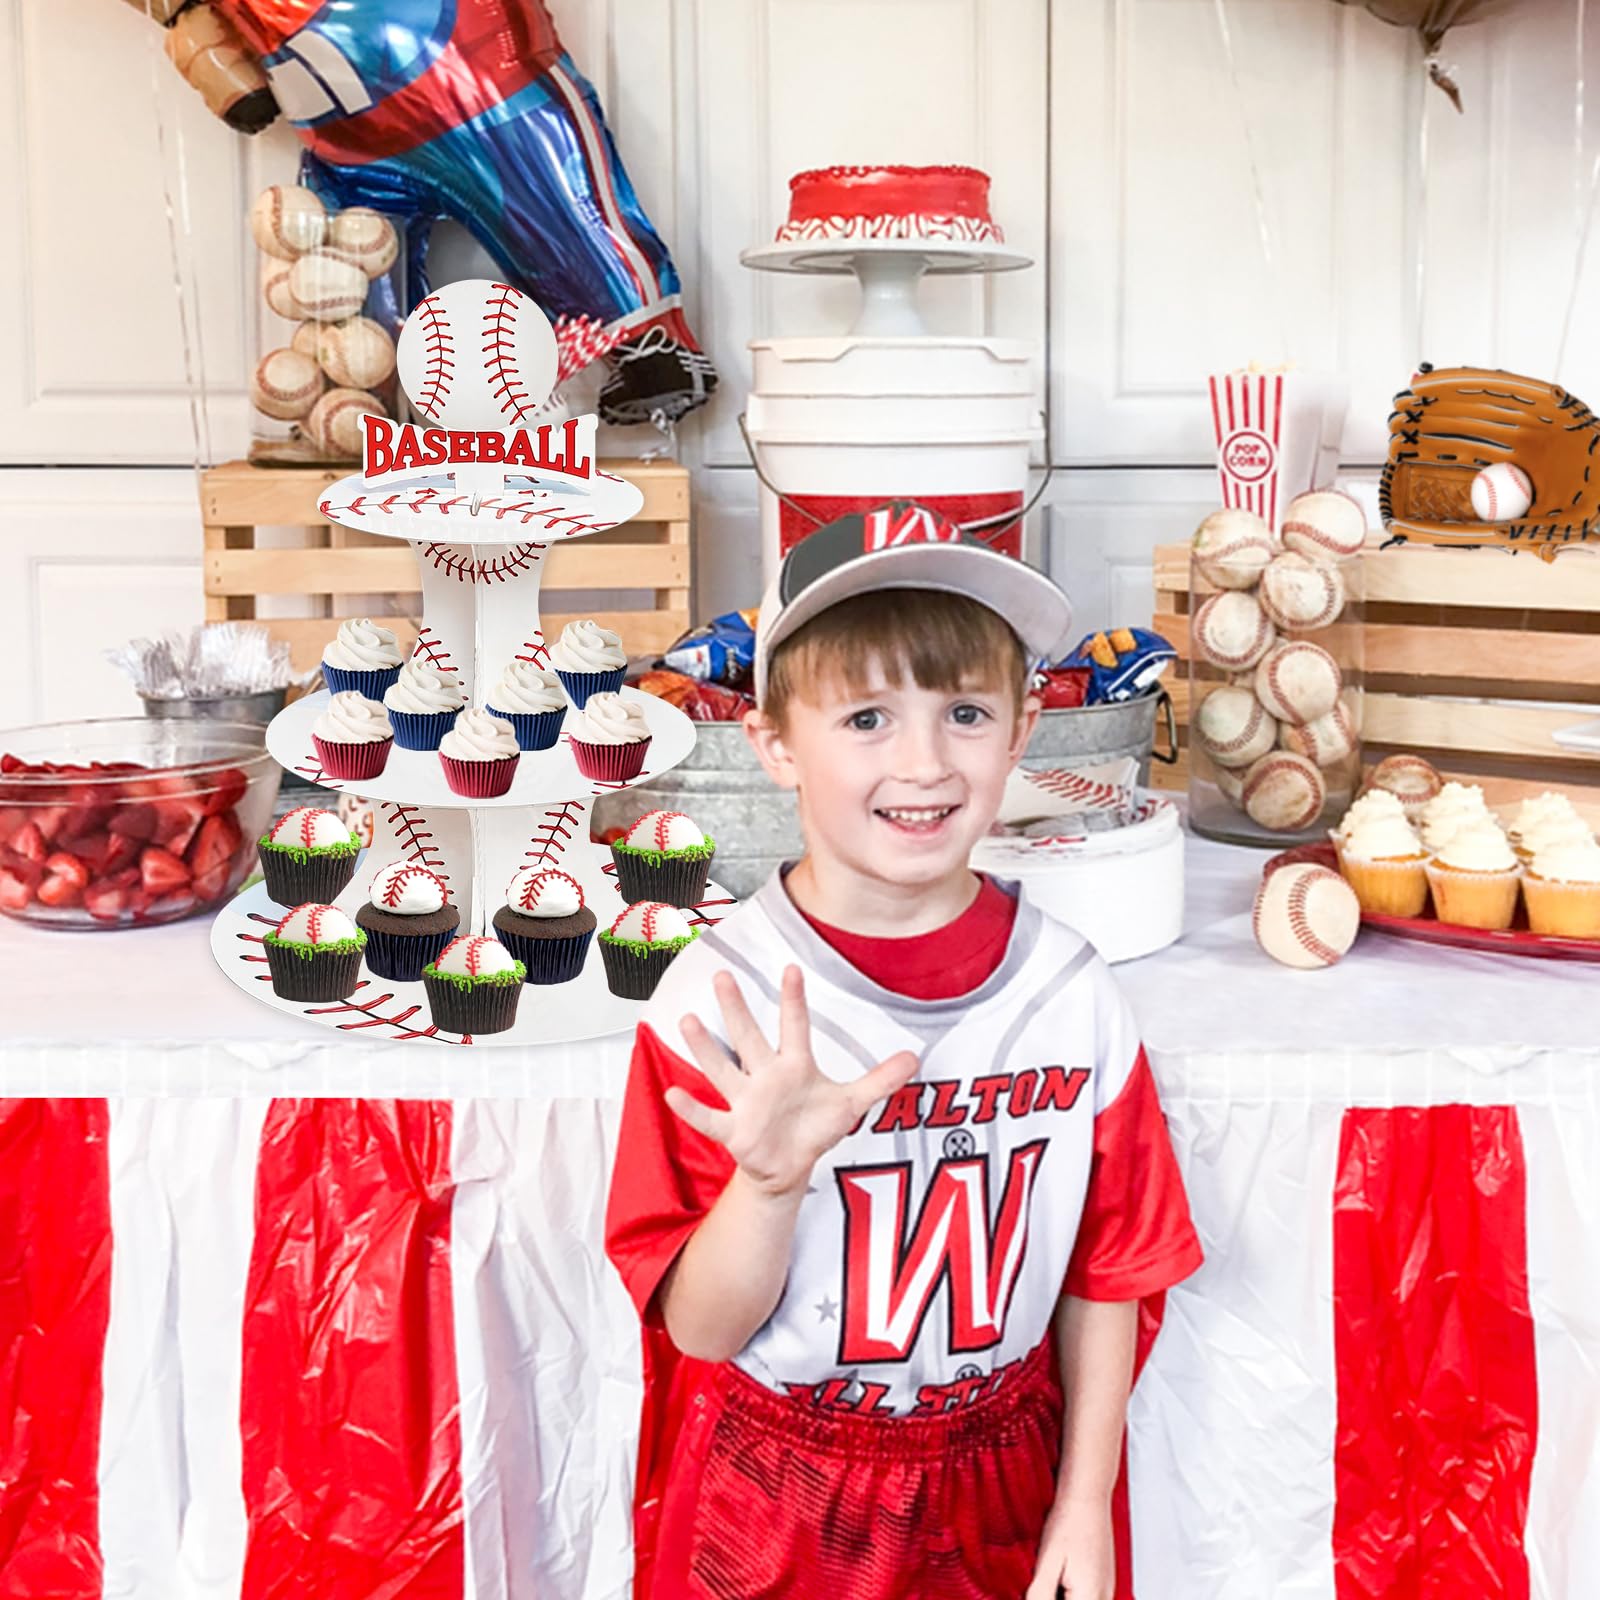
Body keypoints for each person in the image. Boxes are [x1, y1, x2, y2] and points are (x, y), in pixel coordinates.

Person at [605, 502, 1203, 1600]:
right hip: (776, 1490)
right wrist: (767, 1184)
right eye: (867, 717)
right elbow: (700, 1329)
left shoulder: (1070, 993)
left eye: (964, 711)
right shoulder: (721, 1001)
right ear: (775, 745)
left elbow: (1107, 1270)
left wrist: (1084, 1500)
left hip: (1003, 1478)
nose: (924, 762)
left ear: (1021, 730)